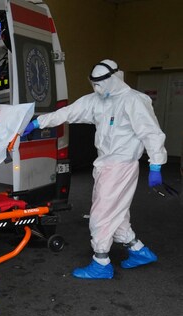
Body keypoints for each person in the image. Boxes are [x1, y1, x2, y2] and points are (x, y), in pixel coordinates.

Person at [22, 59, 166, 279]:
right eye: (94, 83)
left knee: (101, 214)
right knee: (116, 213)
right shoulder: (97, 101)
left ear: (115, 78)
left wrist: (156, 164)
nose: (98, 88)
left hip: (121, 165)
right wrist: (37, 123)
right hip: (106, 164)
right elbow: (67, 113)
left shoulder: (134, 101)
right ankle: (139, 251)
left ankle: (101, 261)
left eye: (102, 82)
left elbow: (151, 133)